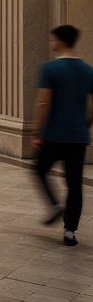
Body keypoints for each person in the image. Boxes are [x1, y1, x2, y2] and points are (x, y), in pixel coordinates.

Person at [33, 24, 93, 246]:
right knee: (74, 184)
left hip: (54, 135)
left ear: (59, 41)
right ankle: (70, 232)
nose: (52, 43)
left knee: (39, 170)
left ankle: (54, 204)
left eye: (53, 39)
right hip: (78, 138)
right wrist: (86, 124)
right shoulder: (88, 70)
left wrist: (37, 132)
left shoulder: (50, 69)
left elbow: (43, 102)